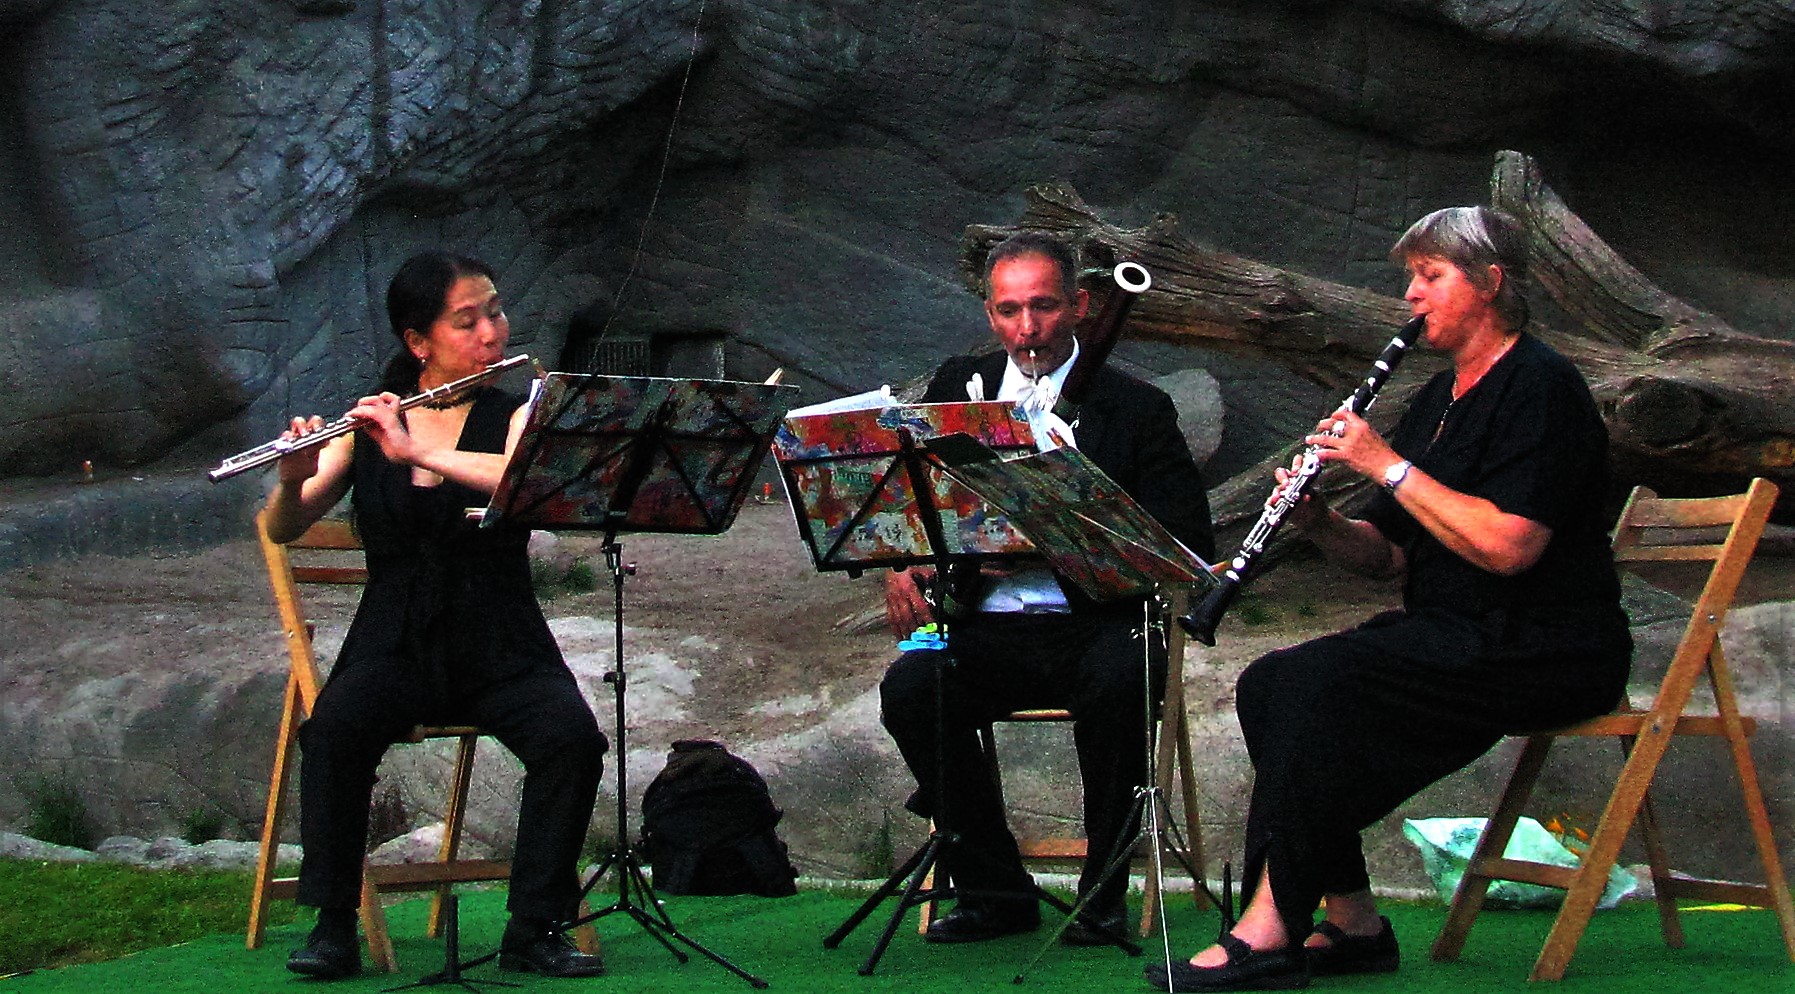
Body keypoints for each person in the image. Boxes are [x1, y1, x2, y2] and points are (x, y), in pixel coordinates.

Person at [1148, 207, 1632, 992]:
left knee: (1315, 687)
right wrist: (1314, 522)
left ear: (1489, 284)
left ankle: (1270, 927)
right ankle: (1354, 923)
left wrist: (1385, 466)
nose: (1408, 295)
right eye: (1410, 276)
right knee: (1272, 681)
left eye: (1429, 276)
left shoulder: (1540, 387)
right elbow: (1383, 559)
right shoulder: (1436, 398)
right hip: (1454, 630)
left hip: (1547, 643)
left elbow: (1511, 547)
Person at [267, 251, 607, 980]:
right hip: (395, 639)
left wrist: (420, 450)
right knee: (332, 733)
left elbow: (523, 482)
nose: (491, 332)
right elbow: (282, 528)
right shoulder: (372, 421)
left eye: (495, 313)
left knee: (572, 740)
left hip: (500, 638)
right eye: (468, 320)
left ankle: (533, 924)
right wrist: (292, 480)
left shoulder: (517, 414)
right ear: (419, 342)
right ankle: (334, 925)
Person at [880, 231, 1215, 946]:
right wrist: (905, 560)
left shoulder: (1136, 408)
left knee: (1122, 678)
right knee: (912, 687)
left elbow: (1189, 544)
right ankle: (993, 887)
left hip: (1097, 623)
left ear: (1080, 306)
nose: (1025, 328)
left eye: (1042, 307)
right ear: (988, 313)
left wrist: (1071, 535)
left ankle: (1104, 889)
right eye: (1007, 311)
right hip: (984, 623)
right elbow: (914, 504)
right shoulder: (956, 388)